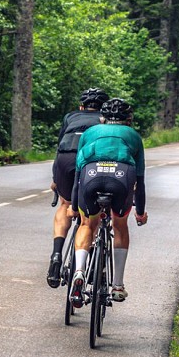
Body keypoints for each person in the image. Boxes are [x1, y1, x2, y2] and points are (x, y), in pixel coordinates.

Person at [69, 98, 148, 305]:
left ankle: (79, 271)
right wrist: (140, 212)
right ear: (128, 119)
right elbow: (139, 180)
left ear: (102, 118)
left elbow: (78, 176)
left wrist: (74, 206)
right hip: (122, 179)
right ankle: (118, 285)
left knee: (87, 224)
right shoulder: (134, 136)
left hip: (91, 176)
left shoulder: (89, 133)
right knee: (120, 225)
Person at [47, 87, 110, 288]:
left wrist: (55, 179)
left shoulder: (70, 117)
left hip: (64, 160)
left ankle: (56, 254)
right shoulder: (105, 120)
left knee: (65, 204)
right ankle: (89, 258)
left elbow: (59, 146)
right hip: (91, 161)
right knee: (90, 213)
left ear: (81, 106)